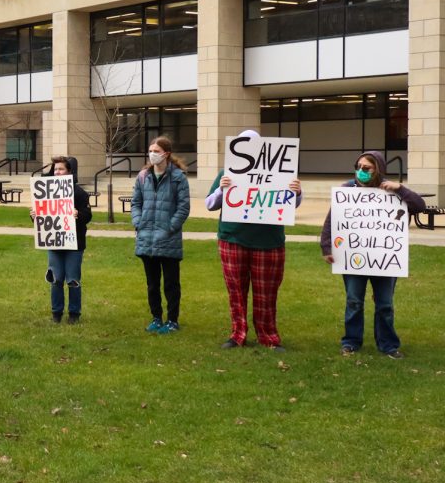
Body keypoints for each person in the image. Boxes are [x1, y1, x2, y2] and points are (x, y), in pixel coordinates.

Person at [319, 150, 425, 358]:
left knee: (385, 304)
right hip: (353, 256)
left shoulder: (392, 190)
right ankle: (351, 341)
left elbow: (419, 206)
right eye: (358, 167)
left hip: (384, 259)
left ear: (378, 169)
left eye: (366, 168)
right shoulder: (347, 189)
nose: (361, 171)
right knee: (354, 301)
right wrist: (326, 247)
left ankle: (388, 345)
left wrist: (400, 188)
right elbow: (332, 220)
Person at [206, 129, 302, 350]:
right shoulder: (226, 173)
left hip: (269, 241)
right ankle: (237, 334)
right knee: (236, 291)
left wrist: (296, 192)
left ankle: (268, 336)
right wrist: (222, 189)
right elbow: (210, 204)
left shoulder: (282, 172)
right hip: (233, 238)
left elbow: (290, 205)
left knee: (267, 292)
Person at [130, 136, 190, 334]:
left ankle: (172, 320)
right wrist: (138, 222)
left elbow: (183, 207)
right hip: (146, 238)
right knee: (152, 284)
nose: (152, 154)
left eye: (156, 151)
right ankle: (156, 317)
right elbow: (136, 203)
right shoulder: (143, 176)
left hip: (168, 239)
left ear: (166, 153)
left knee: (171, 283)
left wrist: (170, 227)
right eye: (150, 150)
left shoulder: (178, 177)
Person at [44, 155, 92, 323]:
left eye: (61, 169)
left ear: (69, 171)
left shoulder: (79, 193)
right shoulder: (46, 191)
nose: (57, 172)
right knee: (56, 279)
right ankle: (56, 313)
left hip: (74, 244)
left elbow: (88, 216)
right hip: (54, 242)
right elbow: (44, 218)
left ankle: (74, 314)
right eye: (55, 169)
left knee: (72, 279)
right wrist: (35, 216)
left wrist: (78, 214)